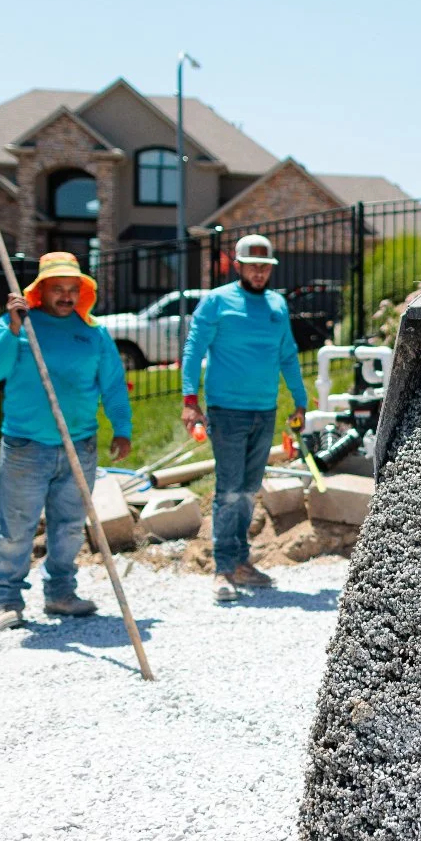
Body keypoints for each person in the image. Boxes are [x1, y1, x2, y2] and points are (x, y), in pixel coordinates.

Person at [0, 251, 132, 630]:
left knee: (69, 526)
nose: (65, 296)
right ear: (41, 291)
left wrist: (122, 427)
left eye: (72, 289)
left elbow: (112, 384)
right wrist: (13, 330)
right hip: (26, 446)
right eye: (57, 289)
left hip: (80, 444)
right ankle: (7, 598)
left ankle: (60, 594)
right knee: (17, 526)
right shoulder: (17, 325)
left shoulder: (92, 333)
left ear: (82, 292)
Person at [180, 234, 310, 602]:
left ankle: (240, 563)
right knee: (229, 490)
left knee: (249, 491)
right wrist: (190, 400)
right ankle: (223, 568)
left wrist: (300, 402)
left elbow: (288, 355)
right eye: (252, 265)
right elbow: (193, 350)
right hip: (226, 410)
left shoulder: (276, 304)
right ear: (237, 266)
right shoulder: (217, 302)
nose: (258, 271)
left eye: (264, 266)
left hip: (264, 410)